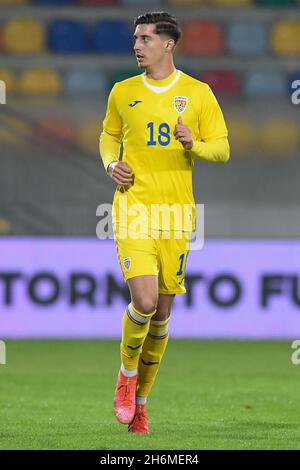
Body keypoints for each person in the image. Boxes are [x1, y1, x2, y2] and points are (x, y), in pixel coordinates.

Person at [99, 11, 229, 434]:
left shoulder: (197, 93)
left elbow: (222, 149)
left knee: (162, 316)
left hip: (177, 215)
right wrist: (111, 163)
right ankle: (125, 375)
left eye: (145, 39)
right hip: (132, 208)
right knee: (146, 302)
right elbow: (108, 135)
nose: (136, 46)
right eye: (135, 39)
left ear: (168, 44)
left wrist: (196, 144)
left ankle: (140, 405)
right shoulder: (122, 91)